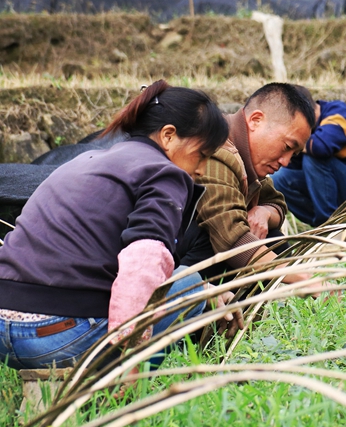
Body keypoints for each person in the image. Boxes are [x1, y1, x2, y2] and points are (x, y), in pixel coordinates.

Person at [0, 81, 243, 370]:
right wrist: (132, 355)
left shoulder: (86, 160)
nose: (201, 170)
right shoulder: (164, 173)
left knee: (183, 279)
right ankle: (118, 390)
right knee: (189, 284)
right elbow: (143, 262)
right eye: (201, 155)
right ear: (168, 136)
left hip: (4, 329)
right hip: (56, 336)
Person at [179, 82, 316, 278]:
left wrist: (265, 213)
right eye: (287, 146)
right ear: (256, 120)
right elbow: (231, 240)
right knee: (218, 238)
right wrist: (302, 279)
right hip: (162, 267)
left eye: (293, 154)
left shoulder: (248, 160)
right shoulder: (215, 149)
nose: (286, 161)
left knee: (271, 238)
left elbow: (276, 202)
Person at [271, 88, 346, 227]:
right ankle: (324, 226)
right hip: (341, 190)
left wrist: (293, 142)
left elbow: (320, 147)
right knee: (278, 179)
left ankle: (331, 228)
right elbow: (293, 165)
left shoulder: (338, 113)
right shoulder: (308, 130)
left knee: (314, 159)